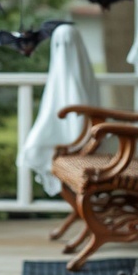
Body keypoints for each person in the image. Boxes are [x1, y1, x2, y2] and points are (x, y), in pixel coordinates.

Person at [16, 23, 100, 195]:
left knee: (38, 146)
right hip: (83, 138)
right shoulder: (62, 78)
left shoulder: (79, 75)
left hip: (89, 138)